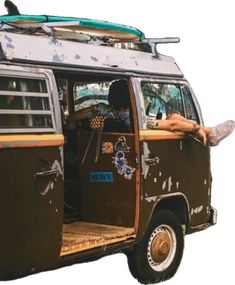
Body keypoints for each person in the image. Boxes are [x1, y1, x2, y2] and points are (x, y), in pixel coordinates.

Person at [66, 79, 131, 131]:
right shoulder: (103, 110)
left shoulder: (133, 117)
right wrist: (93, 111)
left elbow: (71, 119)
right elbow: (71, 119)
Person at [147, 112, 235, 146]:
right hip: (146, 126)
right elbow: (173, 125)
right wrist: (195, 129)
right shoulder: (148, 124)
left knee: (174, 116)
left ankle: (210, 132)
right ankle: (210, 133)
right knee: (174, 119)